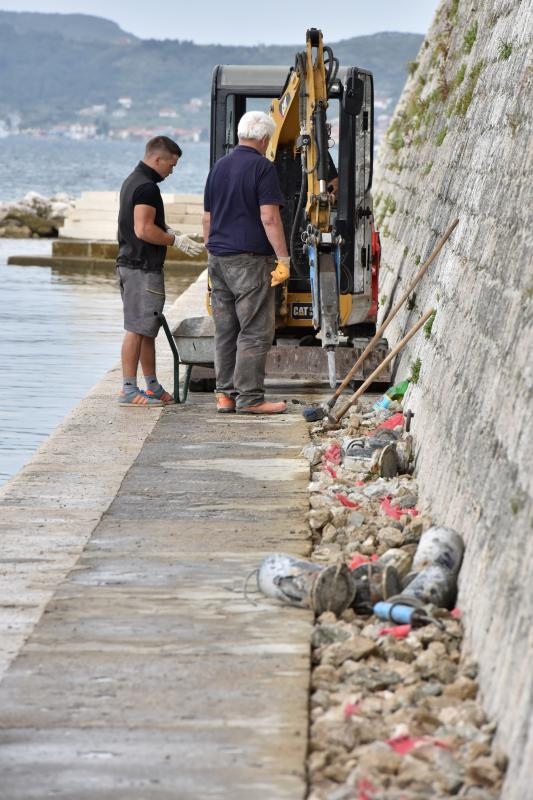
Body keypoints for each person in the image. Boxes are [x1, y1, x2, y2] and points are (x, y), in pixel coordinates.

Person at [202, 111, 290, 415]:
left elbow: (207, 218)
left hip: (218, 259)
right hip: (249, 261)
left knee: (225, 329)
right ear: (264, 139)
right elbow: (270, 217)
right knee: (254, 330)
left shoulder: (218, 167)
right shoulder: (263, 168)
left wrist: (211, 251)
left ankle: (225, 396)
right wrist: (283, 258)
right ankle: (251, 399)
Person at [116, 135, 204, 406]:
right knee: (136, 328)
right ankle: (129, 389)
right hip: (142, 268)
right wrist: (174, 240)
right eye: (171, 165)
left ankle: (151, 385)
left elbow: (143, 223)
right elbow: (143, 229)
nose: (172, 171)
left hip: (131, 265)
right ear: (157, 159)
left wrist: (168, 229)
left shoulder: (133, 181)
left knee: (147, 328)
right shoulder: (147, 188)